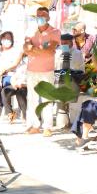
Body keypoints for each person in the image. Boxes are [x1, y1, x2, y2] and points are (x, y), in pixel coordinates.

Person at [23, 7, 61, 136]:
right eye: (38, 15)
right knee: (32, 99)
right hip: (31, 70)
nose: (40, 18)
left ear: (49, 17)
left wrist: (33, 49)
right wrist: (40, 49)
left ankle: (47, 127)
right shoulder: (31, 30)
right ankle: (34, 125)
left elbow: (51, 50)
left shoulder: (55, 31)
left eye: (43, 15)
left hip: (47, 71)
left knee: (46, 99)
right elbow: (25, 48)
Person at [1, 57, 28, 124]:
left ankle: (25, 116)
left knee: (20, 92)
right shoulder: (22, 65)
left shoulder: (34, 67)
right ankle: (10, 113)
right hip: (16, 85)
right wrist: (13, 84)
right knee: (5, 91)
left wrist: (23, 84)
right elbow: (14, 76)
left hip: (26, 86)